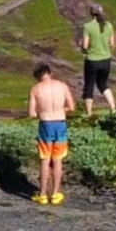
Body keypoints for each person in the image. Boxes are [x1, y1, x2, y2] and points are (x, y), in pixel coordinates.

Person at [27, 62, 77, 205]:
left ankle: (42, 194)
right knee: (58, 159)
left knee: (45, 159)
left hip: (46, 124)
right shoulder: (62, 85)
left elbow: (31, 113)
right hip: (60, 123)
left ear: (37, 76)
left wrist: (41, 112)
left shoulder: (36, 89)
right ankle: (55, 194)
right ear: (50, 73)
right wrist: (60, 111)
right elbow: (71, 107)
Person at [79, 3, 116, 116]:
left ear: (91, 13)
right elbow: (111, 43)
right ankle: (113, 107)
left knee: (89, 85)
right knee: (103, 84)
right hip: (106, 59)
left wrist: (81, 45)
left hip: (92, 60)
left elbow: (85, 46)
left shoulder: (88, 27)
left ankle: (89, 113)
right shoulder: (109, 25)